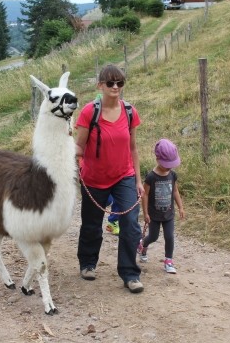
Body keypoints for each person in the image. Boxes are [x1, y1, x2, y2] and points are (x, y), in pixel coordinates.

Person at [75, 64, 145, 293]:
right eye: (110, 83)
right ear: (100, 86)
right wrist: (76, 165)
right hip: (94, 178)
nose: (115, 87)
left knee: (131, 224)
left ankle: (130, 273)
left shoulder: (130, 112)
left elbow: (133, 148)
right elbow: (79, 146)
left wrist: (137, 179)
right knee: (92, 225)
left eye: (120, 83)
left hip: (124, 175)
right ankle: (87, 263)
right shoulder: (89, 112)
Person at [138, 138, 185, 274]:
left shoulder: (172, 175)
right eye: (167, 164)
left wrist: (180, 207)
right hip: (154, 215)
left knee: (169, 236)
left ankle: (168, 261)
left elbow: (175, 191)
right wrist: (145, 213)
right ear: (158, 160)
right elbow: (145, 195)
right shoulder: (151, 177)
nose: (170, 167)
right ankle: (143, 244)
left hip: (169, 214)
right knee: (153, 237)